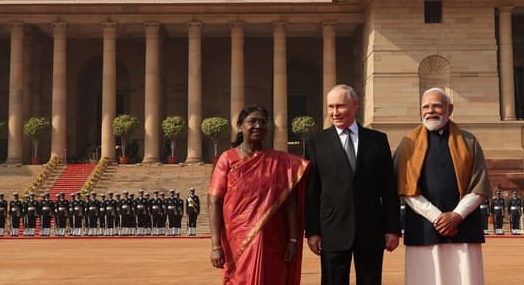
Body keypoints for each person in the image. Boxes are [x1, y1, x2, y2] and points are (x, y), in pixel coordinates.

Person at [394, 87, 492, 285]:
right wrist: (437, 217)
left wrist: (456, 216)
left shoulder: (468, 141)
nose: (430, 111)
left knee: (464, 278)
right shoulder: (408, 144)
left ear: (450, 109)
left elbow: (479, 184)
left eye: (437, 106)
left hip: (463, 227)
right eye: (426, 106)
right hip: (424, 227)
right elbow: (406, 187)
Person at [304, 84, 400, 285]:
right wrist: (312, 231)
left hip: (371, 228)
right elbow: (311, 191)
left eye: (340, 106)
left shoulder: (377, 140)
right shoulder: (316, 142)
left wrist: (392, 228)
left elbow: (389, 188)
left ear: (355, 105)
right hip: (332, 230)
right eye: (330, 107)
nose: (334, 112)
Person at [209, 104, 310, 284]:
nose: (258, 126)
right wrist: (216, 245)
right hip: (238, 240)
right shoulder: (227, 159)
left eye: (262, 122)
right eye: (252, 121)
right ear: (240, 126)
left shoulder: (279, 161)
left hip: (274, 240)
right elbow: (214, 201)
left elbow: (290, 202)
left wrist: (294, 239)